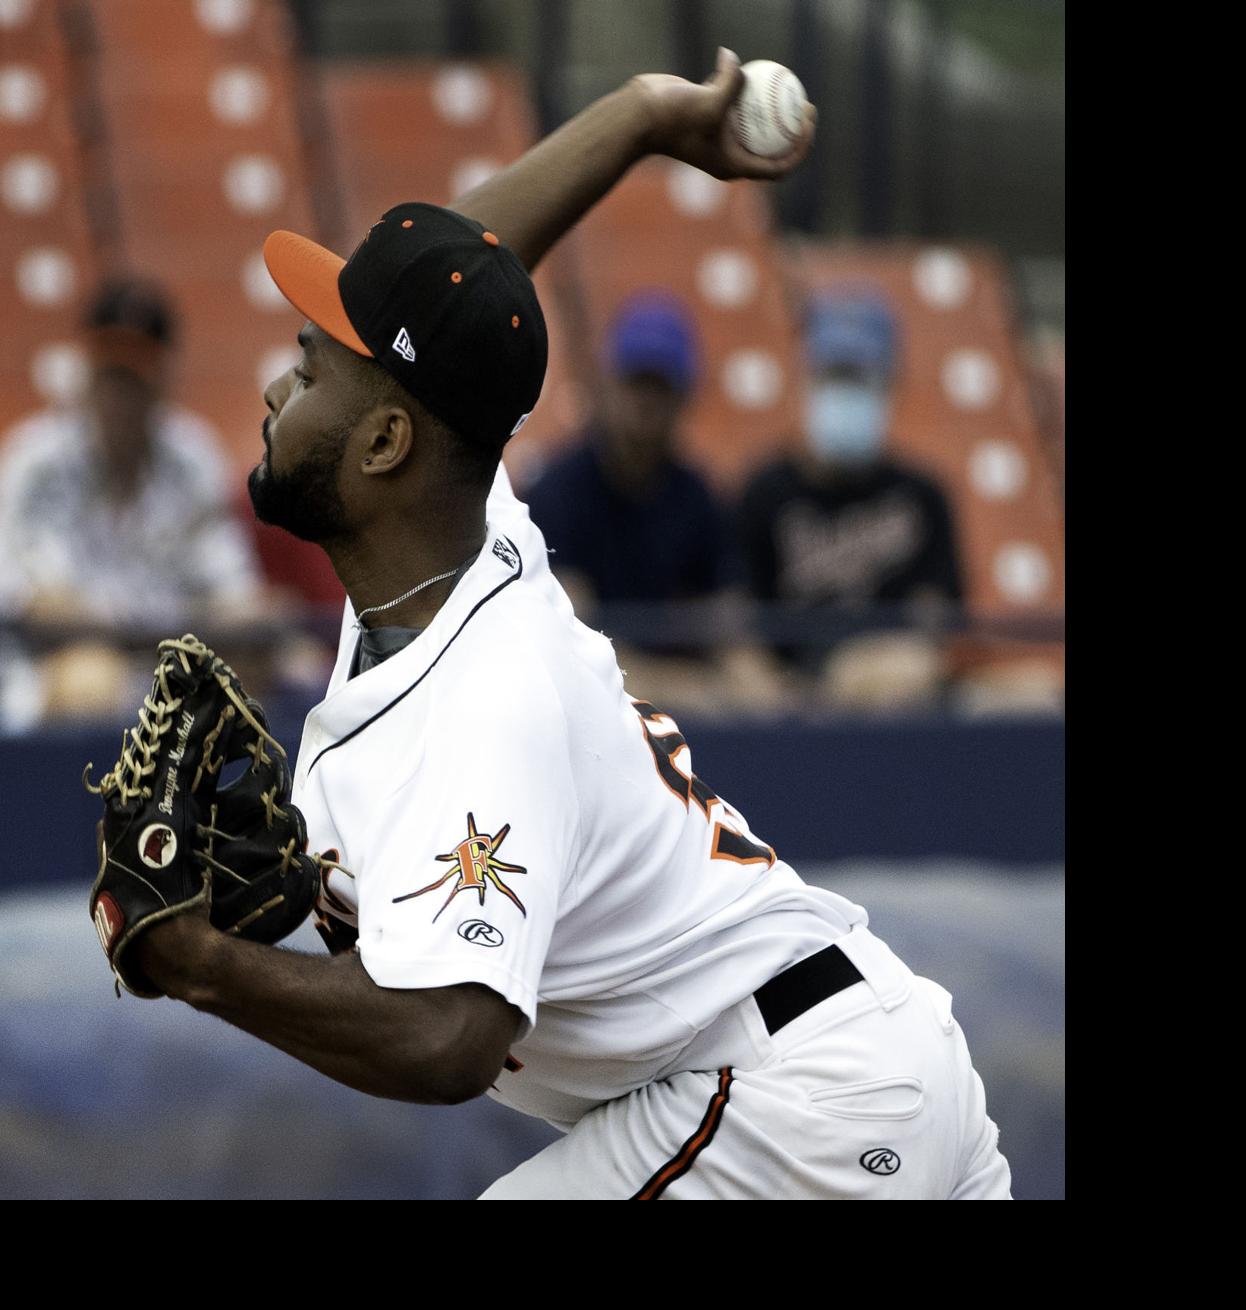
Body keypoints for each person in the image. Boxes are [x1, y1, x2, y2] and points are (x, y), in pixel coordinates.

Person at [125, 51, 1010, 1199]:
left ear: (386, 444)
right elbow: (446, 292)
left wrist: (193, 960)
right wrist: (637, 118)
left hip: (795, 1093)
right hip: (826, 1061)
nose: (275, 390)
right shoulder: (451, 525)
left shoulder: (485, 693)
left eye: (306, 369)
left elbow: (451, 1040)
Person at [0, 278, 266, 722]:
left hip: (168, 666)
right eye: (108, 373)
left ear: (162, 378)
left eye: (132, 377)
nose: (118, 395)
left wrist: (247, 621)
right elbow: (33, 606)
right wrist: (162, 627)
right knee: (90, 678)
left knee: (263, 668)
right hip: (49, 671)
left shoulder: (193, 459)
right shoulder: (36, 461)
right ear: (85, 370)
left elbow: (234, 595)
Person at [525, 292, 780, 714]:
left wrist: (762, 688)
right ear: (607, 384)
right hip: (577, 706)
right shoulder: (558, 491)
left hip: (669, 698)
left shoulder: (696, 497)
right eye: (635, 381)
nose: (646, 401)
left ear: (684, 396)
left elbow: (727, 621)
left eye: (661, 385)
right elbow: (571, 642)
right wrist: (694, 687)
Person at [739, 290, 965, 708]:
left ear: (889, 384)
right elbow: (739, 624)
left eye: (860, 378)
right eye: (835, 375)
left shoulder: (922, 495)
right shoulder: (762, 493)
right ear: (805, 378)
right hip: (788, 707)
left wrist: (859, 674)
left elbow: (933, 630)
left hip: (892, 700)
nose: (846, 392)